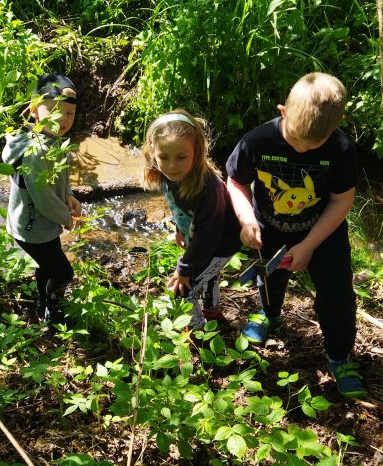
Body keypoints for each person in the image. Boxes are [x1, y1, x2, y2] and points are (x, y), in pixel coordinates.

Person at [225, 72, 366, 398]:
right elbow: (236, 182)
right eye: (295, 138)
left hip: (323, 234)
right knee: (270, 277)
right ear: (283, 112)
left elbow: (341, 201)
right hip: (269, 227)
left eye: (313, 144)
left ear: (338, 124)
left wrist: (309, 245)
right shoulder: (257, 141)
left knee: (337, 294)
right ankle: (269, 313)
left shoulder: (342, 149)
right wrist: (246, 220)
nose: (302, 148)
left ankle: (340, 356)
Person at [141, 110, 242, 332]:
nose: (172, 166)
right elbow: (177, 207)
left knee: (182, 290)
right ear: (152, 152)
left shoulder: (207, 189)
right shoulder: (168, 176)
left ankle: (197, 335)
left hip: (221, 244)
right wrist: (180, 229)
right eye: (164, 157)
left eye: (181, 157)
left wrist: (184, 269)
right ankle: (212, 313)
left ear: (197, 153)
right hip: (205, 241)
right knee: (209, 277)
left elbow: (208, 237)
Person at [4, 73, 82, 326]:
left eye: (69, 113)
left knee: (47, 265)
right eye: (55, 111)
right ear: (34, 110)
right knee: (63, 273)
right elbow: (44, 199)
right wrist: (67, 218)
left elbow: (59, 178)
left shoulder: (51, 140)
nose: (63, 119)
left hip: (39, 224)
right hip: (32, 227)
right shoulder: (36, 151)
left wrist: (68, 195)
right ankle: (53, 309)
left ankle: (42, 303)